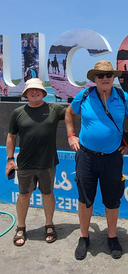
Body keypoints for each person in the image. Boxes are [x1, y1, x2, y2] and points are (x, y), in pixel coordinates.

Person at [65, 60, 128, 260]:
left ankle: (112, 237)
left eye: (108, 75)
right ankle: (84, 236)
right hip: (86, 156)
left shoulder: (123, 97)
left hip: (113, 157)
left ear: (113, 77)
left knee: (112, 199)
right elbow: (69, 113)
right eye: (100, 76)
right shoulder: (85, 95)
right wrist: (71, 136)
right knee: (85, 199)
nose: (104, 79)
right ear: (95, 79)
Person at [6, 78, 66, 246]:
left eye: (38, 90)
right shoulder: (18, 113)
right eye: (31, 90)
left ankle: (49, 225)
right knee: (24, 195)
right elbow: (11, 136)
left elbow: (73, 112)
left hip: (47, 162)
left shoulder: (54, 109)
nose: (34, 92)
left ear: (43, 92)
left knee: (47, 195)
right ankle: (21, 227)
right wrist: (10, 159)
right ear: (25, 94)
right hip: (25, 163)